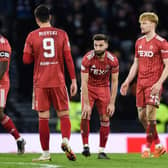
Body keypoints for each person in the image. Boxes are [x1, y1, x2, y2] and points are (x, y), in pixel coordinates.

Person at [23, 5, 77, 161]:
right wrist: (73, 80)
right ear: (50, 17)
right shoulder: (62, 34)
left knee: (43, 117)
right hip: (58, 80)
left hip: (41, 82)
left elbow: (26, 60)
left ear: (36, 19)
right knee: (64, 114)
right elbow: (68, 58)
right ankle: (65, 140)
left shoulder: (32, 36)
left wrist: (35, 53)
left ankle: (46, 154)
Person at [120, 12, 168, 158]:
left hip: (153, 84)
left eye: (144, 23)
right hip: (140, 83)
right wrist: (128, 81)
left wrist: (160, 83)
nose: (141, 25)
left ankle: (147, 148)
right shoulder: (139, 42)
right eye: (141, 23)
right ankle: (159, 144)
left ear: (153, 24)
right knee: (142, 116)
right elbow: (136, 63)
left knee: (150, 115)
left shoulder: (161, 42)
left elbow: (167, 65)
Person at [81, 34, 119, 159]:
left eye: (101, 45)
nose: (97, 48)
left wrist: (112, 103)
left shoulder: (113, 60)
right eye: (95, 45)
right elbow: (84, 82)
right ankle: (85, 146)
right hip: (89, 88)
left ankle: (101, 151)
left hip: (104, 89)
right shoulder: (87, 59)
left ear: (106, 45)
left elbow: (114, 82)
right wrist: (86, 103)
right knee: (85, 114)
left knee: (105, 118)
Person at [0, 35, 25, 154]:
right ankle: (19, 139)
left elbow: (3, 68)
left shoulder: (3, 43)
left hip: (1, 84)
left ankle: (19, 139)